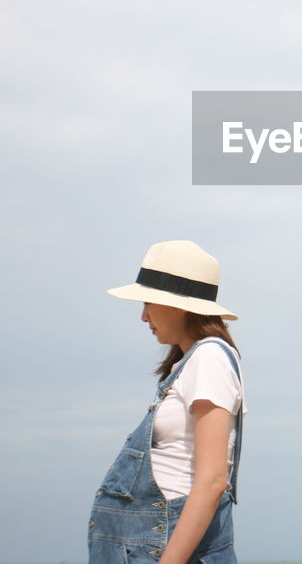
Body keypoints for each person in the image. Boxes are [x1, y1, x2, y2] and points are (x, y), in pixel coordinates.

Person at [89, 240, 247, 564]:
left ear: (178, 305)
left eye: (149, 301)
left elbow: (213, 479)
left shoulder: (209, 359)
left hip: (167, 547)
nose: (143, 316)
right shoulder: (191, 364)